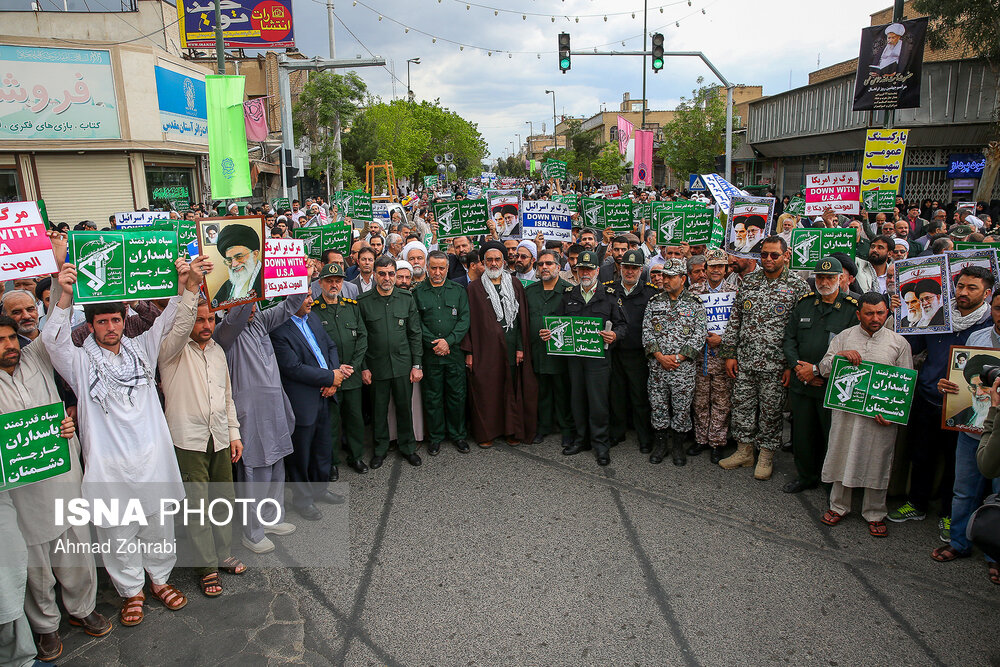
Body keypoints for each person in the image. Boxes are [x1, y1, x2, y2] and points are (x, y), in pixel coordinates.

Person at [44, 259, 198, 626]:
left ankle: (160, 581)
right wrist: (64, 294)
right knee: (118, 533)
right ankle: (132, 591)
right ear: (91, 325)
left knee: (158, 524)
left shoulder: (141, 348)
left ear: (123, 318)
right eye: (102, 322)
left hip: (151, 458)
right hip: (109, 466)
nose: (110, 328)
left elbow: (167, 322)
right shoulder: (80, 363)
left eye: (115, 320)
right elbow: (52, 340)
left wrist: (183, 285)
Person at [0, 301, 110, 661]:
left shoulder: (36, 355)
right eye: (0, 340)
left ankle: (83, 609)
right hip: (22, 492)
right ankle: (46, 627)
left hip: (63, 472)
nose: (9, 346)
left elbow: (54, 325)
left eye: (11, 338)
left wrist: (61, 280)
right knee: (35, 562)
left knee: (76, 545)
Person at [158, 275, 247, 597]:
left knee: (223, 499)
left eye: (210, 319)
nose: (206, 325)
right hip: (187, 440)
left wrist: (234, 433)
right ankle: (206, 567)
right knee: (197, 506)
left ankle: (221, 553)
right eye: (199, 320)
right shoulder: (172, 351)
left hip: (219, 437)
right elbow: (180, 327)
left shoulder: (217, 352)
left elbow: (227, 398)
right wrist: (190, 290)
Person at [890, 267, 993, 540]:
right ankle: (917, 503)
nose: (963, 292)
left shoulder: (987, 328)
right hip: (928, 398)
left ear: (987, 293)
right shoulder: (937, 317)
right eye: (960, 285)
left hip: (965, 408)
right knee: (921, 455)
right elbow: (910, 345)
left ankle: (950, 515)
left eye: (972, 287)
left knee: (956, 465)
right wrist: (902, 315)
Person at [214, 291, 306, 555]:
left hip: (274, 408)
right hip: (250, 413)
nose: (252, 308)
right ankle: (252, 533)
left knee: (277, 465)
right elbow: (239, 313)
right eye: (247, 304)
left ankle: (272, 518)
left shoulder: (261, 322)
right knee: (254, 471)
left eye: (255, 303)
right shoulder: (226, 332)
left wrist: (300, 278)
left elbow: (291, 305)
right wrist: (246, 286)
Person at [818, 292, 913, 537]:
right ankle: (839, 506)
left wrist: (893, 413)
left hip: (880, 419)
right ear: (859, 314)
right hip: (846, 413)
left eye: (880, 313)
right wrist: (839, 357)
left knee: (878, 461)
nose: (875, 318)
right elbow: (823, 369)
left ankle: (874, 512)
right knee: (842, 454)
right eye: (869, 313)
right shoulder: (844, 337)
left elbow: (905, 386)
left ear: (887, 313)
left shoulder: (899, 343)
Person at [719, 236, 810, 480]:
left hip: (776, 363)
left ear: (785, 255)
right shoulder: (749, 281)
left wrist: (793, 364)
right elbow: (735, 319)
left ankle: (766, 454)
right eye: (764, 254)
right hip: (746, 359)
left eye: (774, 255)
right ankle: (744, 451)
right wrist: (729, 354)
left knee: (771, 410)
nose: (768, 259)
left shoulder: (797, 286)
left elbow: (800, 331)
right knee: (742, 406)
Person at [932, 290, 1000, 580]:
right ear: (991, 308)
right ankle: (958, 543)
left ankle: (995, 553)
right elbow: (962, 379)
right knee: (963, 491)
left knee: (998, 495)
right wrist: (948, 387)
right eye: (998, 308)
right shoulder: (977, 339)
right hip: (971, 431)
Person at [782, 257, 859, 493]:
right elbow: (789, 339)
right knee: (803, 435)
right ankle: (806, 476)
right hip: (802, 383)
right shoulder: (804, 304)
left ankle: (830, 480)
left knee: (831, 436)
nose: (824, 282)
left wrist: (819, 373)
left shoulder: (852, 308)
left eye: (830, 277)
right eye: (820, 277)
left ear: (841, 279)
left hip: (832, 385)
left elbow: (855, 349)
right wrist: (798, 368)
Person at [543, 250, 625, 466]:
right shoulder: (569, 295)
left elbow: (623, 325)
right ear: (576, 271)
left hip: (599, 360)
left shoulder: (609, 295)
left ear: (597, 270)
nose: (585, 273)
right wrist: (549, 332)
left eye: (590, 269)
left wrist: (615, 335)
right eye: (582, 269)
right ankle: (581, 440)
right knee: (577, 400)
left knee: (598, 404)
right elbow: (558, 322)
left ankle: (601, 445)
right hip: (575, 359)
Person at [270, 296, 345, 520]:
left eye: (310, 295)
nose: (311, 300)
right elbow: (293, 368)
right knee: (301, 455)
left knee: (323, 448)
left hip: (325, 394)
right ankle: (303, 500)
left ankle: (320, 490)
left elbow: (330, 345)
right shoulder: (279, 329)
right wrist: (330, 377)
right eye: (305, 298)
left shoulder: (312, 318)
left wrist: (333, 377)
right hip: (303, 401)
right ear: (289, 301)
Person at [462, 241, 538, 447]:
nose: (494, 264)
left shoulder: (515, 284)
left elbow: (522, 319)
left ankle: (511, 430)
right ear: (482, 262)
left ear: (504, 261)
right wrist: (468, 352)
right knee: (487, 390)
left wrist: (521, 347)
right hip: (485, 350)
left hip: (512, 347)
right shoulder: (474, 288)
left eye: (497, 260)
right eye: (489, 260)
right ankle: (487, 432)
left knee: (510, 389)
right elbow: (466, 323)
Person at [359, 255, 423, 468]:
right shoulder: (363, 302)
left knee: (405, 408)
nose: (387, 278)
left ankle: (408, 447)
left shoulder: (406, 299)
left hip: (403, 365)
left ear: (396, 275)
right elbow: (361, 338)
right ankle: (380, 450)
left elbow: (415, 334)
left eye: (391, 274)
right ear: (375, 275)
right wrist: (364, 367)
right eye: (382, 274)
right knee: (379, 410)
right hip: (376, 367)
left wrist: (417, 365)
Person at [642, 258, 707, 465]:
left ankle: (678, 447)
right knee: (658, 406)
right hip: (658, 367)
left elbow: (699, 334)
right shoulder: (654, 302)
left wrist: (679, 357)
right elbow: (647, 332)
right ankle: (661, 446)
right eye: (664, 276)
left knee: (681, 408)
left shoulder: (695, 304)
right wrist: (660, 357)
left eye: (670, 277)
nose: (665, 280)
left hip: (683, 369)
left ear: (683, 279)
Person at [412, 250, 471, 455]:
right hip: (431, 355)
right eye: (433, 268)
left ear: (447, 268)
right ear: (427, 267)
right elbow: (416, 323)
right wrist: (434, 343)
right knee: (432, 397)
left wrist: (449, 341)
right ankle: (435, 437)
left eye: (441, 268)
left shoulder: (458, 290)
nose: (437, 272)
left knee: (457, 396)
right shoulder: (418, 292)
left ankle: (458, 435)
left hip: (454, 354)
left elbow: (464, 320)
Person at [313, 263, 369, 475]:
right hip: (330, 377)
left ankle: (356, 457)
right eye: (329, 281)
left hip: (352, 376)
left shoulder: (352, 307)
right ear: (321, 283)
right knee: (331, 423)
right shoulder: (314, 310)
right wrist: (332, 371)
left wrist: (353, 366)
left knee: (355, 419)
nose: (334, 284)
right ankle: (332, 462)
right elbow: (313, 345)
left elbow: (362, 337)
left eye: (338, 281)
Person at [524, 249, 575, 446]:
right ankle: (543, 427)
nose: (544, 267)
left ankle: (566, 429)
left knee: (563, 392)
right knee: (542, 392)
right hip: (537, 351)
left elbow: (574, 321)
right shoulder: (529, 291)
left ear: (558, 267)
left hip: (561, 352)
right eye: (541, 264)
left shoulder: (569, 290)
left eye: (549, 264)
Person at [689, 248, 735, 463]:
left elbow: (739, 325)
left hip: (723, 356)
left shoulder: (735, 291)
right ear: (705, 269)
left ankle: (717, 442)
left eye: (720, 267)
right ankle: (701, 439)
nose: (716, 270)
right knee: (699, 399)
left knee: (721, 401)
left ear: (726, 269)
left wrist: (722, 339)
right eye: (712, 266)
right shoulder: (694, 291)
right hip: (699, 356)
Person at [609, 249, 658, 453]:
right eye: (626, 267)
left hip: (638, 354)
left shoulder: (651, 293)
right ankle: (618, 432)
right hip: (615, 352)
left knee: (640, 397)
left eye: (634, 268)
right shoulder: (609, 290)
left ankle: (644, 436)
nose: (630, 271)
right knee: (616, 395)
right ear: (620, 268)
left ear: (641, 270)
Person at [210, 224, 263, 308]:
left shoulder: (269, 280)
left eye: (239, 257)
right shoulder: (228, 285)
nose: (234, 264)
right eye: (229, 260)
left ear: (255, 254)